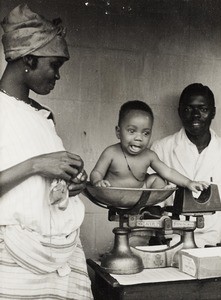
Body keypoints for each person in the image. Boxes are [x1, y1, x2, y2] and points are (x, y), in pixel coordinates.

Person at [0, 4, 93, 300]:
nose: (58, 76)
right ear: (28, 59)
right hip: (16, 259)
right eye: (54, 65)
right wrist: (37, 164)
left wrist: (71, 181)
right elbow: (35, 169)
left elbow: (43, 186)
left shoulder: (44, 116)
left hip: (64, 255)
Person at [151, 83, 221, 248]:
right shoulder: (161, 149)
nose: (196, 115)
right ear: (179, 111)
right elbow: (151, 204)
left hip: (216, 240)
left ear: (213, 112)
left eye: (203, 109)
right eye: (189, 109)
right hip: (172, 240)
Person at [90, 100, 209, 196]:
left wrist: (189, 182)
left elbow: (168, 172)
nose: (139, 138)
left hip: (140, 193)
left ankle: (154, 204)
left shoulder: (149, 155)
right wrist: (97, 181)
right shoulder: (111, 152)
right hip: (114, 193)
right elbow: (97, 172)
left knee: (157, 178)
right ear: (118, 132)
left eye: (145, 133)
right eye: (132, 131)